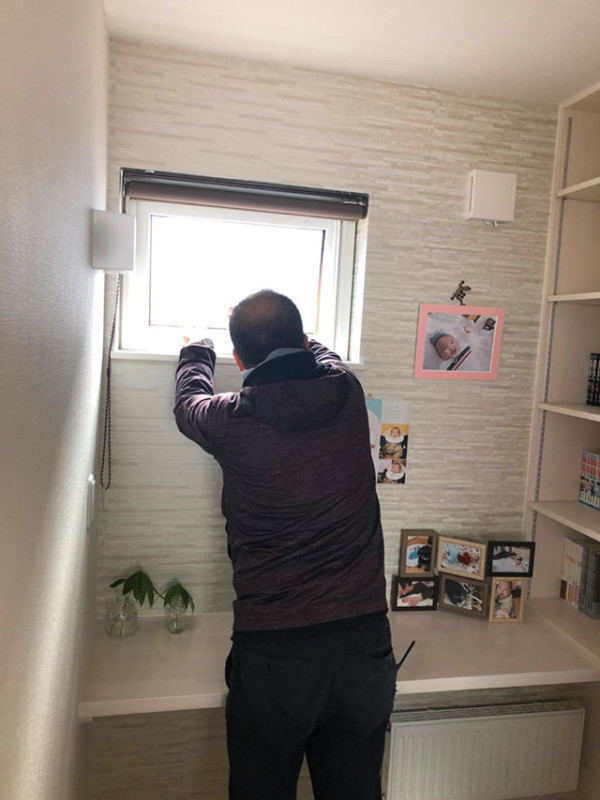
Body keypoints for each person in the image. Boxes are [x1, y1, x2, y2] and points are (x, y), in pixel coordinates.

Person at [174, 289, 396, 800]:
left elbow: (187, 405)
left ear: (238, 360)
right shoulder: (346, 391)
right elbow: (323, 355)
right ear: (302, 341)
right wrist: (296, 337)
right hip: (362, 649)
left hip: (275, 659)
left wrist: (196, 349)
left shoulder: (228, 419)